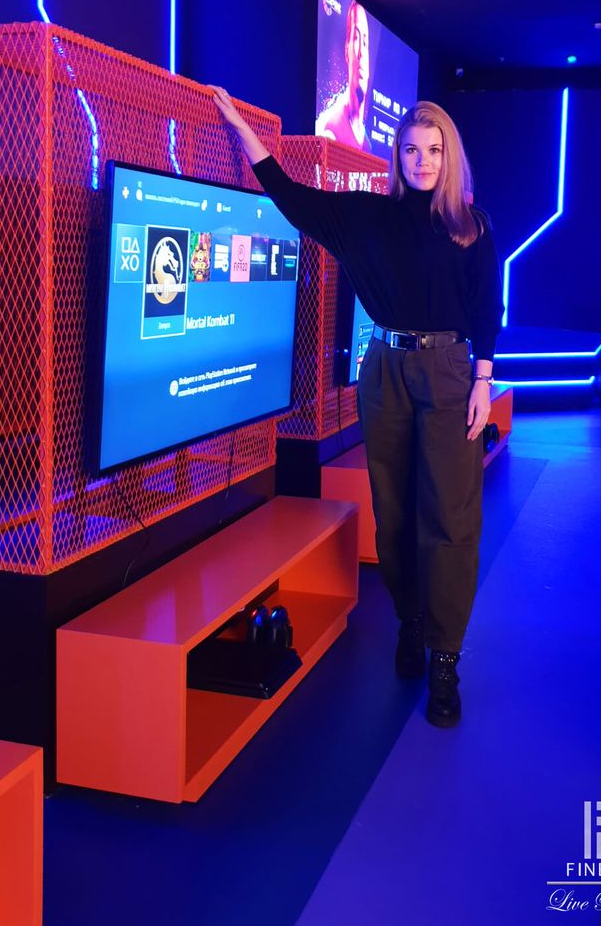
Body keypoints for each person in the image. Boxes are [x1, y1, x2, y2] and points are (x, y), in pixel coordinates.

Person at [211, 87, 503, 728]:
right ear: (396, 156)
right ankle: (411, 622)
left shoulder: (471, 228)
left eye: (433, 151)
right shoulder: (368, 216)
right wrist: (240, 125)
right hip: (385, 370)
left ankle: (445, 659)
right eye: (410, 150)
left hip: (452, 371)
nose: (422, 162)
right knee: (394, 513)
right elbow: (292, 199)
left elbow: (487, 309)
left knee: (450, 519)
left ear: (449, 158)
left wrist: (483, 377)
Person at [315, 1, 372, 151]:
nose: (361, 52)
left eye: (365, 43)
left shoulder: (367, 143)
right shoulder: (330, 131)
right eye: (356, 38)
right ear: (347, 49)